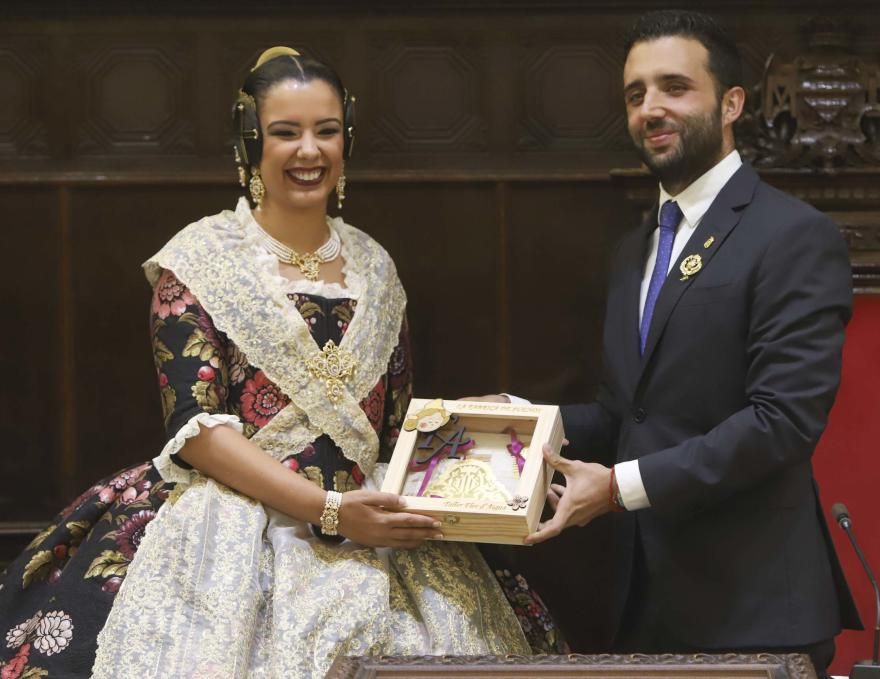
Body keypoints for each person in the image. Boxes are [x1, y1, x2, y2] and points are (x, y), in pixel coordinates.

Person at [0, 48, 563, 679]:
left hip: (370, 521)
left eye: (326, 131)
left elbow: (392, 429)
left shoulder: (375, 266)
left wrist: (475, 422)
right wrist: (325, 509)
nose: (308, 151)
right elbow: (198, 431)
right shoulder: (199, 257)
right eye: (285, 132)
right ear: (250, 145)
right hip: (230, 522)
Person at [471, 9, 862, 675]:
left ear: (731, 102)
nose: (651, 108)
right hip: (648, 605)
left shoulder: (792, 235)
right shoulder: (635, 249)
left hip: (756, 611)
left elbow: (782, 422)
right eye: (635, 94)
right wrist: (525, 422)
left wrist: (618, 486)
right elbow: (630, 413)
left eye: (674, 87)